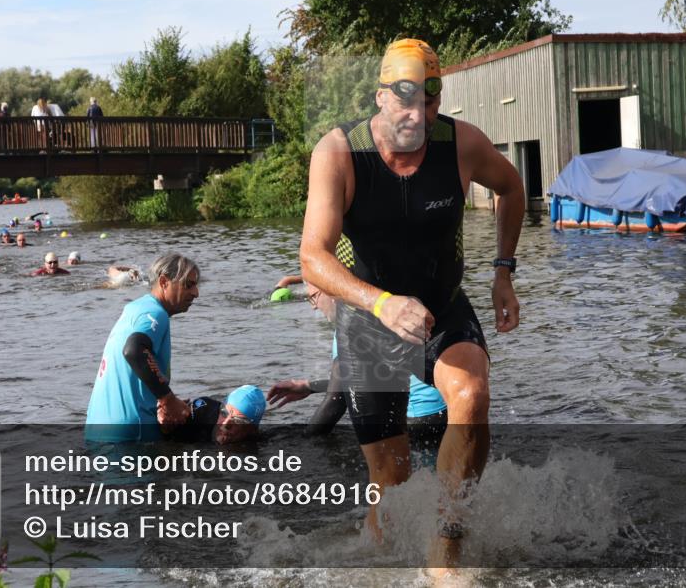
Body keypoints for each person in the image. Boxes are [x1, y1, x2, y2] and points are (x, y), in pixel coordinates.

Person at [299, 38, 524, 563]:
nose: (417, 115)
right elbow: (313, 257)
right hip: (368, 320)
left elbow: (512, 189)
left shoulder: (461, 144)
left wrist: (503, 273)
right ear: (380, 96)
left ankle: (446, 548)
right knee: (390, 477)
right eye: (404, 100)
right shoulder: (339, 153)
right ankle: (378, 564)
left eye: (429, 101)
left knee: (470, 396)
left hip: (440, 306)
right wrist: (382, 304)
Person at [267, 280, 448, 452]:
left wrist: (304, 444)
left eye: (313, 297)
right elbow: (364, 381)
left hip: (417, 422)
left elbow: (336, 401)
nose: (314, 306)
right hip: (445, 413)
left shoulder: (350, 326)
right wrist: (310, 386)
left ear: (332, 292)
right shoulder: (387, 311)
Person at [84, 253, 200, 443]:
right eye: (189, 285)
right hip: (130, 435)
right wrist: (168, 400)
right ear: (164, 282)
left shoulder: (135, 308)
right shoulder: (156, 313)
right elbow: (134, 350)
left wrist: (163, 403)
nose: (196, 293)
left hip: (96, 427)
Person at [169, 385, 266, 445]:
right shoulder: (200, 412)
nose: (225, 425)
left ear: (252, 429)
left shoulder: (257, 443)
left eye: (237, 421)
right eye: (224, 412)